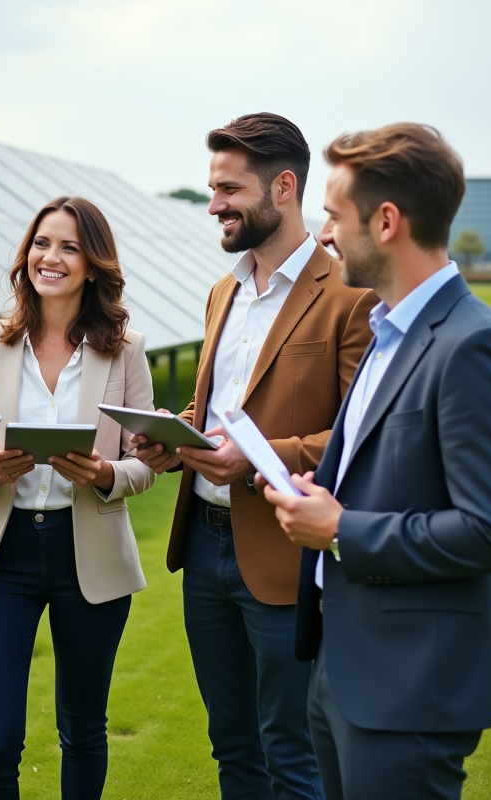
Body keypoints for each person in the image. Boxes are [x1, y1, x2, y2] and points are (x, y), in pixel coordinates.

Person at [260, 123, 491, 800]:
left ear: (386, 222)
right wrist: (319, 493)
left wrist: (339, 529)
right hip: (342, 664)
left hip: (411, 685)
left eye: (333, 217)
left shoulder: (475, 347)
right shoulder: (387, 327)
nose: (323, 235)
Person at [132, 113, 376, 800]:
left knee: (292, 752)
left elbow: (366, 434)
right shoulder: (223, 291)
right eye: (212, 189)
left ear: (284, 188)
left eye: (228, 190)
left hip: (287, 558)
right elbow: (211, 414)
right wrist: (171, 436)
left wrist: (258, 455)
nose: (213, 206)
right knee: (231, 746)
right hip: (204, 554)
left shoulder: (351, 295)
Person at [0, 196, 156, 799]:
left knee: (83, 730)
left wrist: (105, 476)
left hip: (87, 553)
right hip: (3, 553)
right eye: (43, 243)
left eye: (69, 247)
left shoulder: (127, 349)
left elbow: (147, 458)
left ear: (92, 264)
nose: (52, 257)